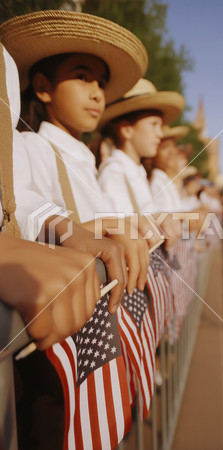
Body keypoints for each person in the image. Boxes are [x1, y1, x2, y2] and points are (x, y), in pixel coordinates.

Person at [0, 9, 155, 296]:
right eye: (82, 76)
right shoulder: (34, 147)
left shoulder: (86, 161)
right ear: (43, 88)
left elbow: (108, 218)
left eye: (102, 83)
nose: (97, 93)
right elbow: (22, 218)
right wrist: (91, 229)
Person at [98, 78, 185, 248]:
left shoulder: (136, 172)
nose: (160, 134)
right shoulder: (114, 173)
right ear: (127, 130)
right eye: (154, 125)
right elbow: (120, 234)